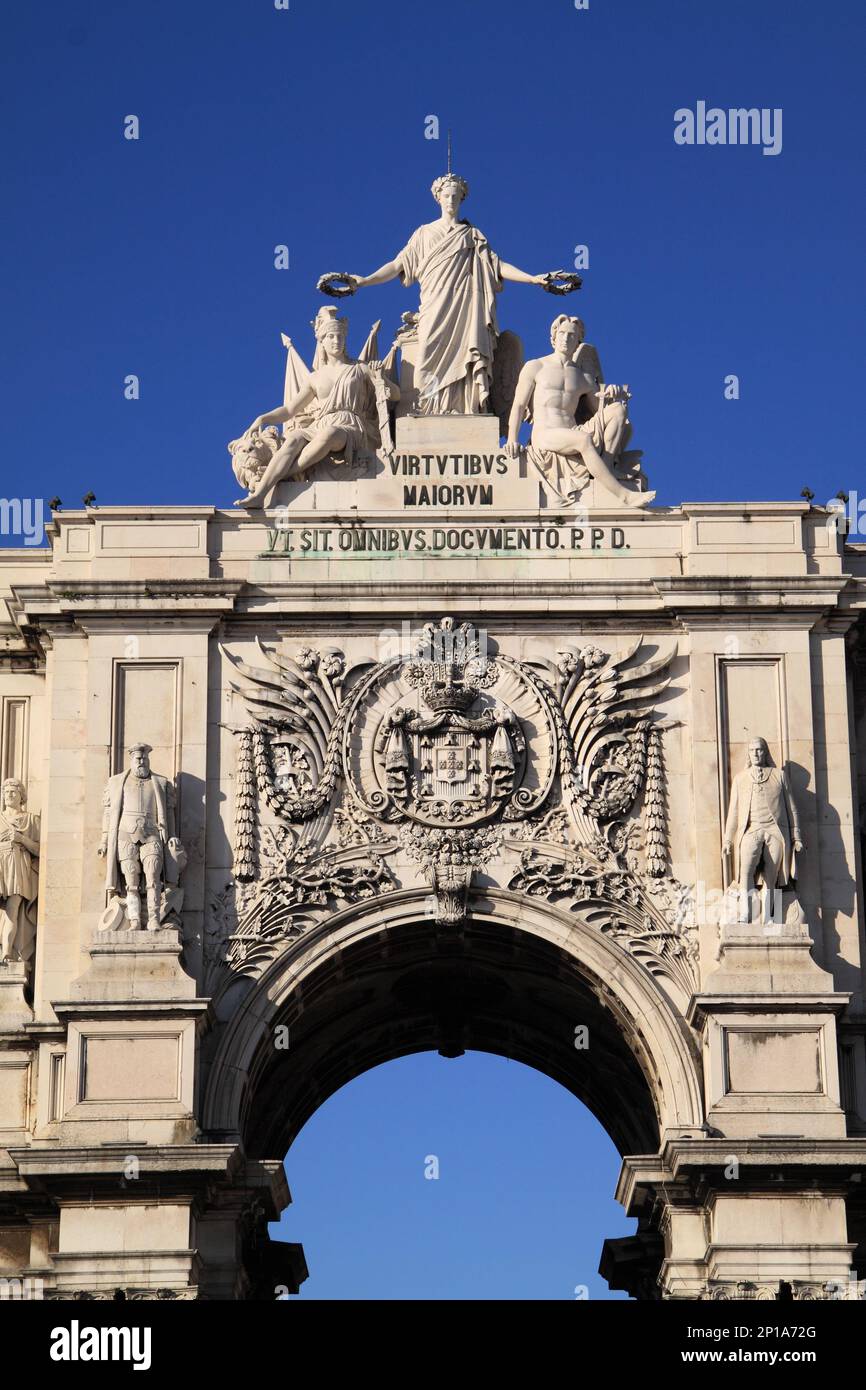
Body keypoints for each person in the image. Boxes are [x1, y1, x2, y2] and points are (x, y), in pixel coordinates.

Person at [343, 174, 554, 416]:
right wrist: (365, 281)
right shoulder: (423, 234)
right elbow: (397, 265)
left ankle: (464, 409)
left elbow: (497, 266)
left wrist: (533, 279)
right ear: (438, 198)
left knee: (466, 352)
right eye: (446, 195)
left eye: (456, 195)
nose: (451, 199)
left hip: (466, 306)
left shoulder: (472, 235)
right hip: (434, 303)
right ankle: (429, 409)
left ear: (462, 198)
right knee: (428, 353)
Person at [234, 308, 393, 508]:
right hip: (321, 423)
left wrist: (381, 377)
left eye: (340, 336)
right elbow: (290, 410)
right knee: (294, 438)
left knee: (328, 433)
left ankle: (281, 475)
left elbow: (394, 394)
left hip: (349, 426)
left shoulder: (360, 368)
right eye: (331, 336)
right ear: (322, 341)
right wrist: (263, 418)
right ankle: (260, 494)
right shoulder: (315, 377)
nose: (337, 340)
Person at [506, 314, 655, 507]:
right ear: (553, 336)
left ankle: (606, 468)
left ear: (578, 340)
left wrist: (613, 394)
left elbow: (599, 410)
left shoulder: (583, 377)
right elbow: (518, 404)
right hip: (545, 434)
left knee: (618, 410)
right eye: (562, 333)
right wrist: (512, 439)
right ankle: (625, 496)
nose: (566, 339)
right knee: (583, 440)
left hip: (572, 431)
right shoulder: (536, 366)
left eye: (571, 335)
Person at [724, 736, 804, 922]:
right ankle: (745, 913)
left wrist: (796, 837)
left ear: (765, 752)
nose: (756, 754)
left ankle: (769, 916)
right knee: (745, 872)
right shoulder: (740, 779)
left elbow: (792, 808)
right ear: (748, 754)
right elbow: (734, 812)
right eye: (752, 751)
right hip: (750, 830)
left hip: (775, 831)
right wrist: (728, 839)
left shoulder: (779, 775)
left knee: (772, 875)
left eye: (759, 750)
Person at [99, 743, 175, 930]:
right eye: (138, 759)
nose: (142, 762)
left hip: (152, 834)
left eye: (144, 758)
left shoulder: (161, 782)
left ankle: (154, 919)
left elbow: (169, 812)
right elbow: (109, 813)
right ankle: (134, 920)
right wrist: (104, 839)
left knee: (153, 878)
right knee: (131, 882)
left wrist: (172, 835)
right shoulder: (117, 782)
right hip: (125, 835)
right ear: (131, 760)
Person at [0, 777, 39, 964]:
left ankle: (7, 952)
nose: (9, 795)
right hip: (0, 863)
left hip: (17, 864)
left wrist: (21, 838)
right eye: (6, 792)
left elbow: (39, 849)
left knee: (12, 910)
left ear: (21, 796)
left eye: (13, 791)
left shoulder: (30, 819)